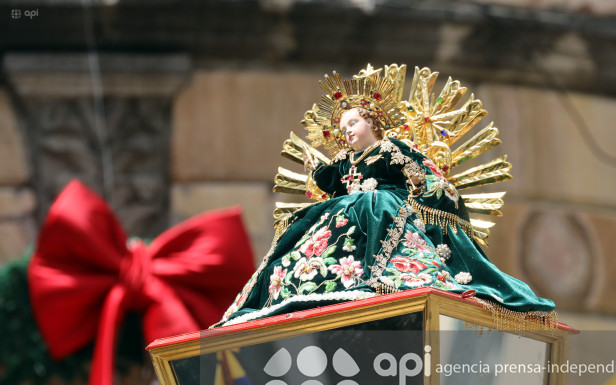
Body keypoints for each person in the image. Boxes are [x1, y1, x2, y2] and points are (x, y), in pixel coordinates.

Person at [216, 87, 556, 328]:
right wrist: (316, 168)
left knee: (370, 203)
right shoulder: (347, 160)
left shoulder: (390, 148)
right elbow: (330, 180)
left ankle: (379, 272)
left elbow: (421, 172)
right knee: (312, 217)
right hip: (352, 210)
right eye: (342, 128)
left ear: (373, 123)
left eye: (353, 123)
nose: (347, 131)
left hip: (386, 206)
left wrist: (421, 189)